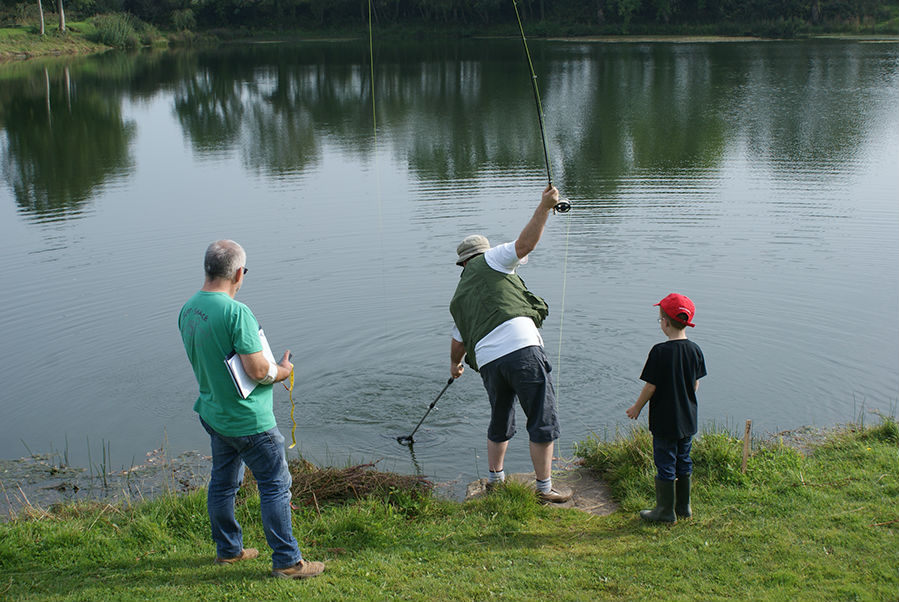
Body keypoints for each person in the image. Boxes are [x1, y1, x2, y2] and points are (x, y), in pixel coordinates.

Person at [178, 240, 324, 579]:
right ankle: (287, 562)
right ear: (239, 274)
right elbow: (258, 371)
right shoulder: (237, 313)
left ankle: (229, 551)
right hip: (249, 421)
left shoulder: (189, 308)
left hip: (214, 414)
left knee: (223, 484)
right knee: (275, 484)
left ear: (207, 268)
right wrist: (282, 371)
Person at [449, 185, 572, 504]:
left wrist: (455, 365)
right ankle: (544, 489)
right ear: (482, 253)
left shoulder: (459, 297)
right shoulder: (493, 259)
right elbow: (525, 244)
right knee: (542, 418)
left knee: (500, 417)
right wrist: (545, 207)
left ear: (462, 264)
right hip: (521, 349)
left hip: (490, 362)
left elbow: (458, 340)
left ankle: (495, 481)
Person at [626, 293, 707, 523]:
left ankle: (664, 511)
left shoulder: (659, 351)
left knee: (665, 461)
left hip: (664, 420)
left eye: (660, 319)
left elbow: (651, 386)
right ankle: (684, 507)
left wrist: (637, 407)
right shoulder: (695, 350)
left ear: (665, 322)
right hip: (688, 418)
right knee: (684, 459)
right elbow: (695, 384)